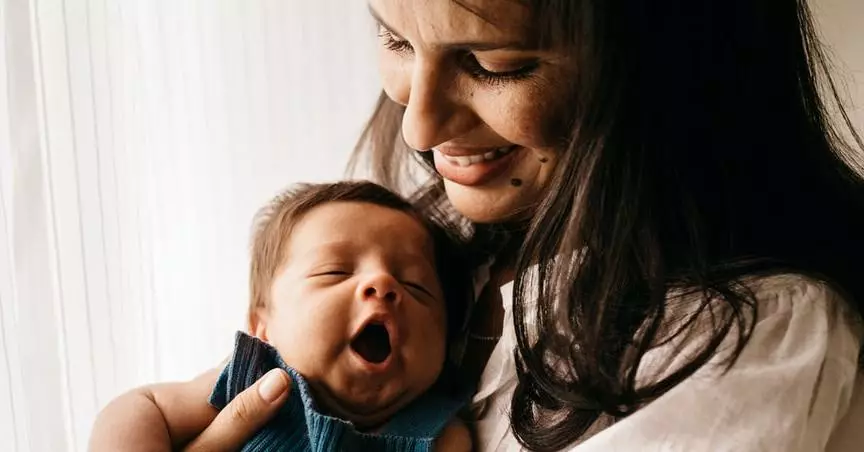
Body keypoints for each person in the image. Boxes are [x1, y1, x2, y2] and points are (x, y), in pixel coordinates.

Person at [91, 0, 864, 450]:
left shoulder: (750, 339)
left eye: (496, 64)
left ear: (670, 72)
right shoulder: (431, 244)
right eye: (395, 38)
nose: (420, 125)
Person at [90, 182, 473, 451]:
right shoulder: (250, 380)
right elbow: (141, 406)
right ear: (263, 328)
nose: (384, 284)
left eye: (416, 285)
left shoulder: (441, 436)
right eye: (335, 272)